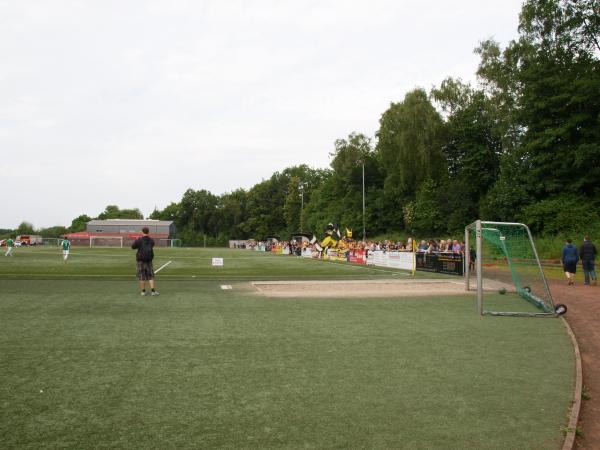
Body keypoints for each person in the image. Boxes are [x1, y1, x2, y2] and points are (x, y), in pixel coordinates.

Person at [131, 227, 159, 296]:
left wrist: (136, 240)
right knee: (150, 276)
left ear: (142, 232)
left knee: (141, 276)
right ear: (148, 232)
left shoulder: (139, 240)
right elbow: (151, 246)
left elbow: (133, 247)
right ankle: (153, 291)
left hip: (140, 260)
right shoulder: (151, 240)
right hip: (149, 260)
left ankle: (143, 291)